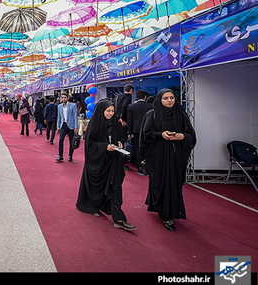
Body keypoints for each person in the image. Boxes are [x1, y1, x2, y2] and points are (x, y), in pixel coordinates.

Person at [139, 88, 196, 232]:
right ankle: (164, 213)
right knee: (159, 182)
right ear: (160, 100)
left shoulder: (181, 114)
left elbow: (191, 135)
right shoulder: (152, 114)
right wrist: (160, 135)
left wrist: (182, 136)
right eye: (166, 98)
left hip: (176, 156)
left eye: (171, 97)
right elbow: (145, 135)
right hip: (158, 156)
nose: (169, 100)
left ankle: (170, 211)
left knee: (174, 183)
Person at [76, 99, 136, 231]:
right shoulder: (95, 124)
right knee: (97, 188)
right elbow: (90, 145)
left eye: (113, 111)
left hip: (113, 162)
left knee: (115, 187)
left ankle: (119, 219)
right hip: (98, 162)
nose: (110, 113)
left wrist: (119, 143)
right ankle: (93, 206)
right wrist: (105, 147)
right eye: (108, 111)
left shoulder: (115, 123)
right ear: (101, 111)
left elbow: (120, 137)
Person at [126, 89, 153, 174]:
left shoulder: (131, 106)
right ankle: (148, 166)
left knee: (138, 149)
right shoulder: (150, 106)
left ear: (136, 97)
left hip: (136, 131)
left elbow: (129, 121)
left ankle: (140, 167)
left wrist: (130, 132)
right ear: (145, 97)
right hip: (148, 131)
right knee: (148, 148)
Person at [56, 92, 78, 162]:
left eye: (65, 97)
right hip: (63, 125)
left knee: (71, 141)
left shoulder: (73, 105)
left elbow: (75, 116)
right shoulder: (59, 106)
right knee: (61, 140)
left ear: (67, 98)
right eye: (62, 97)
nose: (63, 99)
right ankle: (60, 155)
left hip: (71, 125)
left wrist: (76, 127)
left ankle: (70, 156)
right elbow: (59, 117)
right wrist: (58, 126)